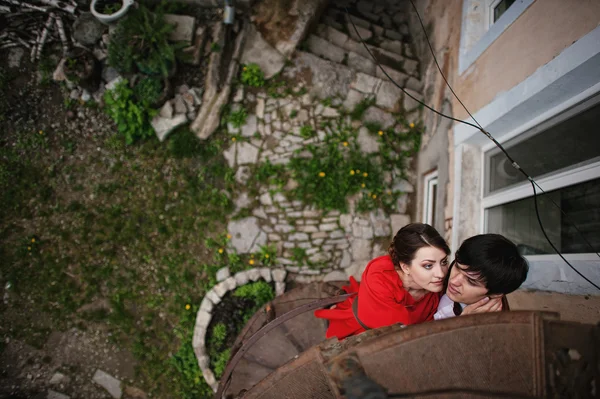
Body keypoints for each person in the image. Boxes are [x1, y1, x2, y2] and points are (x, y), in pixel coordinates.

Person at [315, 223, 450, 341]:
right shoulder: (380, 275)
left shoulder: (435, 290)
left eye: (443, 262)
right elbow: (401, 329)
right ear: (405, 267)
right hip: (361, 340)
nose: (441, 274)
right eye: (428, 265)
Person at [434, 234, 529, 320]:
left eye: (470, 281)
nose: (454, 281)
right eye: (457, 267)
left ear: (496, 294)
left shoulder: (503, 323)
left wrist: (463, 325)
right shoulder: (440, 286)